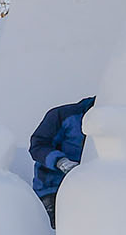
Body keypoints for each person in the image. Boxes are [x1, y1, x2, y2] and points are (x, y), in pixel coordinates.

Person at [29, 95, 95, 224]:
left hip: (88, 190)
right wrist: (60, 161)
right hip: (53, 189)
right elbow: (38, 145)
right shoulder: (63, 115)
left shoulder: (113, 122)